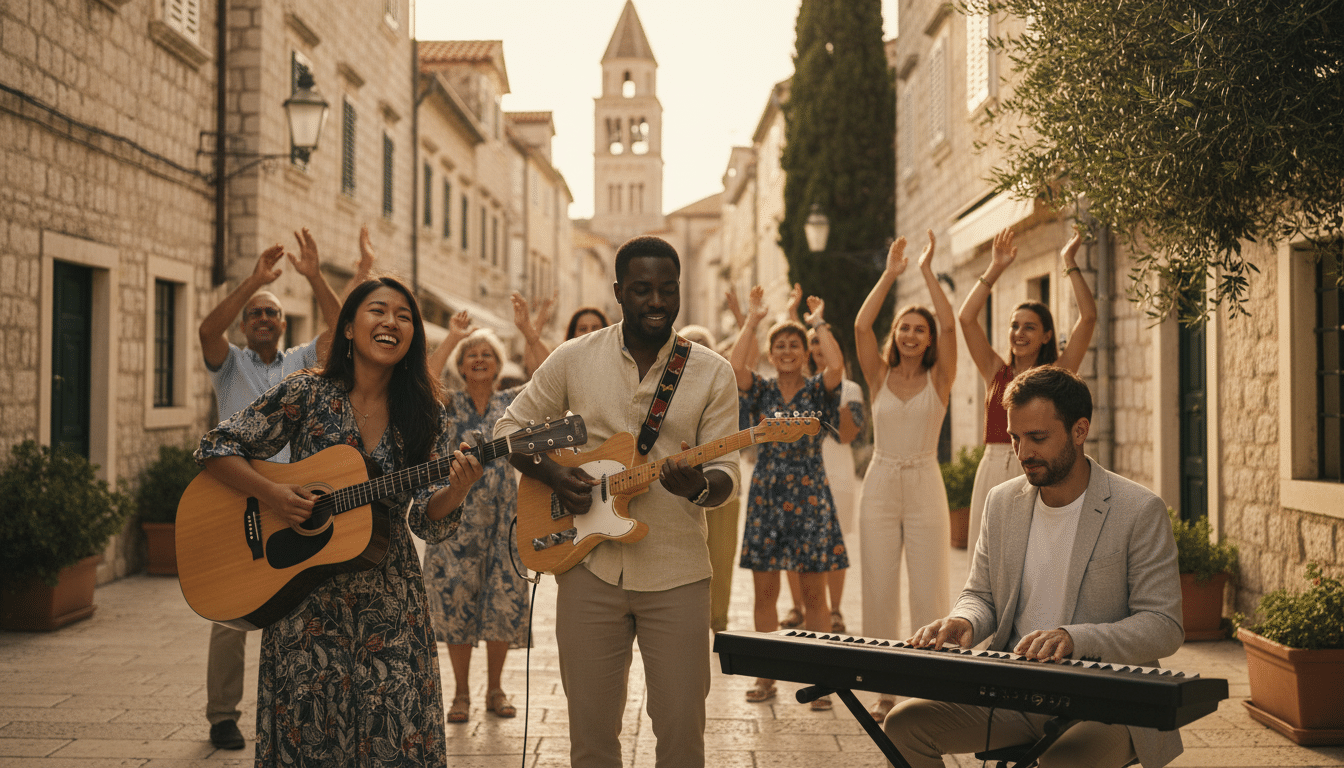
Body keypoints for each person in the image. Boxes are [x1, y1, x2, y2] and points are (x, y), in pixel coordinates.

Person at [195, 276, 484, 766]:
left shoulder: (427, 414)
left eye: (404, 315)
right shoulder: (306, 393)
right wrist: (276, 495)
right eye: (378, 310)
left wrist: (456, 489)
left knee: (396, 738)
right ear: (348, 327)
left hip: (390, 606)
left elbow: (426, 519)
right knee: (307, 740)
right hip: (302, 599)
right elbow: (216, 446)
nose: (392, 321)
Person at [495, 236, 739, 768]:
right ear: (618, 292)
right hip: (587, 569)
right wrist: (558, 475)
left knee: (681, 736)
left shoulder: (712, 372)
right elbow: (510, 428)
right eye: (642, 289)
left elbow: (725, 477)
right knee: (590, 739)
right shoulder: (573, 359)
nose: (657, 301)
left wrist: (696, 486)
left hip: (678, 572)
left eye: (668, 290)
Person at [881, 366, 1184, 768]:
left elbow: (1164, 625)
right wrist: (965, 622)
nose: (1023, 453)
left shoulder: (1138, 510)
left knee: (1062, 761)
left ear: (1079, 431)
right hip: (1017, 692)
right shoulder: (1001, 502)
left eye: (1037, 438)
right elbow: (981, 595)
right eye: (1015, 438)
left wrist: (1074, 638)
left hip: (1110, 700)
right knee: (903, 725)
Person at [196, 228, 351, 751]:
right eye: (255, 313)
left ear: (284, 324)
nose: (263, 317)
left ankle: (298, 712)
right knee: (229, 611)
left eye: (272, 312)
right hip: (239, 498)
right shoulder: (230, 367)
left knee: (299, 605)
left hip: (298, 500)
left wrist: (313, 277)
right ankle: (222, 715)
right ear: (246, 324)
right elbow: (206, 330)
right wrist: (255, 281)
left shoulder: (304, 362)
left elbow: (342, 328)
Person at [422, 297, 543, 723]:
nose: (478, 359)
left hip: (504, 521)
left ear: (498, 363)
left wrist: (529, 331)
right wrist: (454, 335)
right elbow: (424, 378)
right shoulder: (446, 403)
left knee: (501, 603)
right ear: (461, 362)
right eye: (471, 354)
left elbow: (547, 378)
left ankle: (494, 689)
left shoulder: (512, 403)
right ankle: (460, 695)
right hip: (454, 519)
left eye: (487, 353)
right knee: (455, 603)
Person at [853, 230, 958, 721]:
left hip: (924, 484)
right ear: (895, 336)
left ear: (930, 339)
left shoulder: (941, 379)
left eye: (921, 329)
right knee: (877, 582)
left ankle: (929, 678)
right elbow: (860, 325)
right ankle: (884, 686)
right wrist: (890, 274)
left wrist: (925, 273)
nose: (912, 335)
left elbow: (953, 327)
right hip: (878, 484)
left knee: (929, 584)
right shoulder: (877, 376)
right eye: (905, 328)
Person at [732, 285, 846, 710]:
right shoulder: (759, 390)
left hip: (809, 493)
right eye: (779, 345)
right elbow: (735, 365)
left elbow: (836, 364)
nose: (786, 350)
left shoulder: (818, 390)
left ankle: (818, 681)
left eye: (794, 344)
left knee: (815, 597)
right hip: (767, 494)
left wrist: (817, 322)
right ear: (770, 351)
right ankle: (766, 677)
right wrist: (752, 319)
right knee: (765, 594)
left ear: (805, 351)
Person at [958, 227, 1096, 570]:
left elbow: (1089, 317)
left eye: (1029, 327)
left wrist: (1069, 261)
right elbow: (965, 317)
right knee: (988, 563)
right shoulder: (995, 370)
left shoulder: (1058, 374)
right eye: (1014, 325)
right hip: (993, 468)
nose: (1019, 333)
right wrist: (996, 266)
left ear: (1046, 334)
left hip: (1041, 467)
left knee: (1035, 560)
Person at [677, 324, 740, 634]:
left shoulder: (721, 382)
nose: (696, 348)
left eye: (703, 343)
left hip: (720, 485)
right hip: (678, 490)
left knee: (722, 559)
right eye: (689, 343)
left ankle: (719, 623)